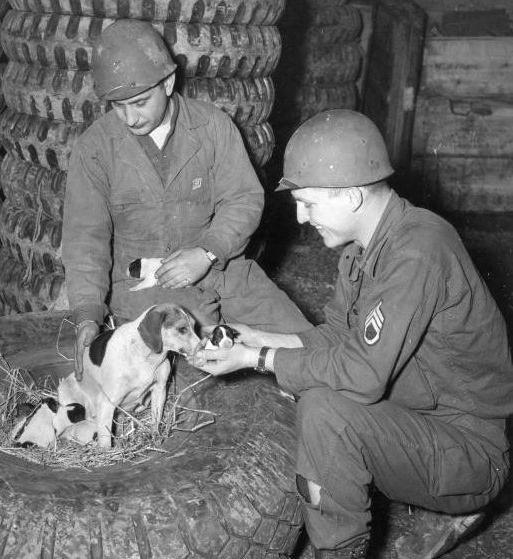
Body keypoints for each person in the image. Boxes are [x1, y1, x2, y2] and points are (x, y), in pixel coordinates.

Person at [193, 109, 513, 559]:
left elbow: (362, 375)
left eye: (309, 203)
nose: (302, 218)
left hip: (469, 450)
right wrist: (255, 339)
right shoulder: (365, 253)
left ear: (353, 196)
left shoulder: (418, 252)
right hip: (422, 421)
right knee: (321, 393)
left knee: (327, 412)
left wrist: (258, 360)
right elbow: (338, 339)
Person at [62, 19, 311, 375]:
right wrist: (87, 315)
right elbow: (85, 238)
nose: (130, 118)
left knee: (307, 347)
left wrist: (208, 252)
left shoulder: (212, 127)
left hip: (223, 267)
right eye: (118, 106)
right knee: (194, 371)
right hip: (148, 283)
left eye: (140, 102)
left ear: (168, 82)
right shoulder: (95, 150)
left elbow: (243, 199)